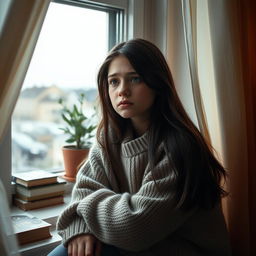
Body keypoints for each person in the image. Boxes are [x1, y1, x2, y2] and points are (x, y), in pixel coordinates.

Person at [48, 38, 231, 256]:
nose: (122, 91)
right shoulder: (108, 138)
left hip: (179, 250)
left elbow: (134, 227)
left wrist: (85, 208)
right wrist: (81, 229)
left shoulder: (182, 147)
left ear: (157, 83)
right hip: (140, 247)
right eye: (114, 82)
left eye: (135, 79)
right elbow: (84, 190)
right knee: (67, 251)